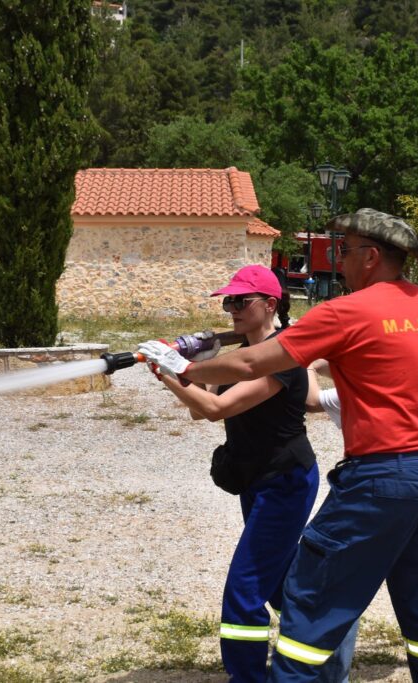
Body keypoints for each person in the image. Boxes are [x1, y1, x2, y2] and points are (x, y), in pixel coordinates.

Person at [140, 208, 418, 682]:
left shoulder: (347, 311)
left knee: (311, 600)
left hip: (381, 478)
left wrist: (182, 368)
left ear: (371, 257)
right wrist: (399, 392)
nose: (339, 261)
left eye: (344, 251)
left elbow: (252, 366)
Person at [147, 264, 319, 682]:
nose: (232, 309)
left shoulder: (282, 358)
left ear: (270, 304)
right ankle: (327, 637)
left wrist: (169, 369)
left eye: (242, 301)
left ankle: (246, 675)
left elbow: (216, 411)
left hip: (286, 480)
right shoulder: (239, 356)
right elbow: (197, 408)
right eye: (229, 301)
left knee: (245, 588)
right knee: (278, 583)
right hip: (254, 478)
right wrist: (199, 364)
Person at [305, 361, 418, 677]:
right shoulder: (417, 391)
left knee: (343, 580)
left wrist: (310, 364)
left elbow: (311, 400)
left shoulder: (347, 397)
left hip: (376, 491)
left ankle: (331, 674)